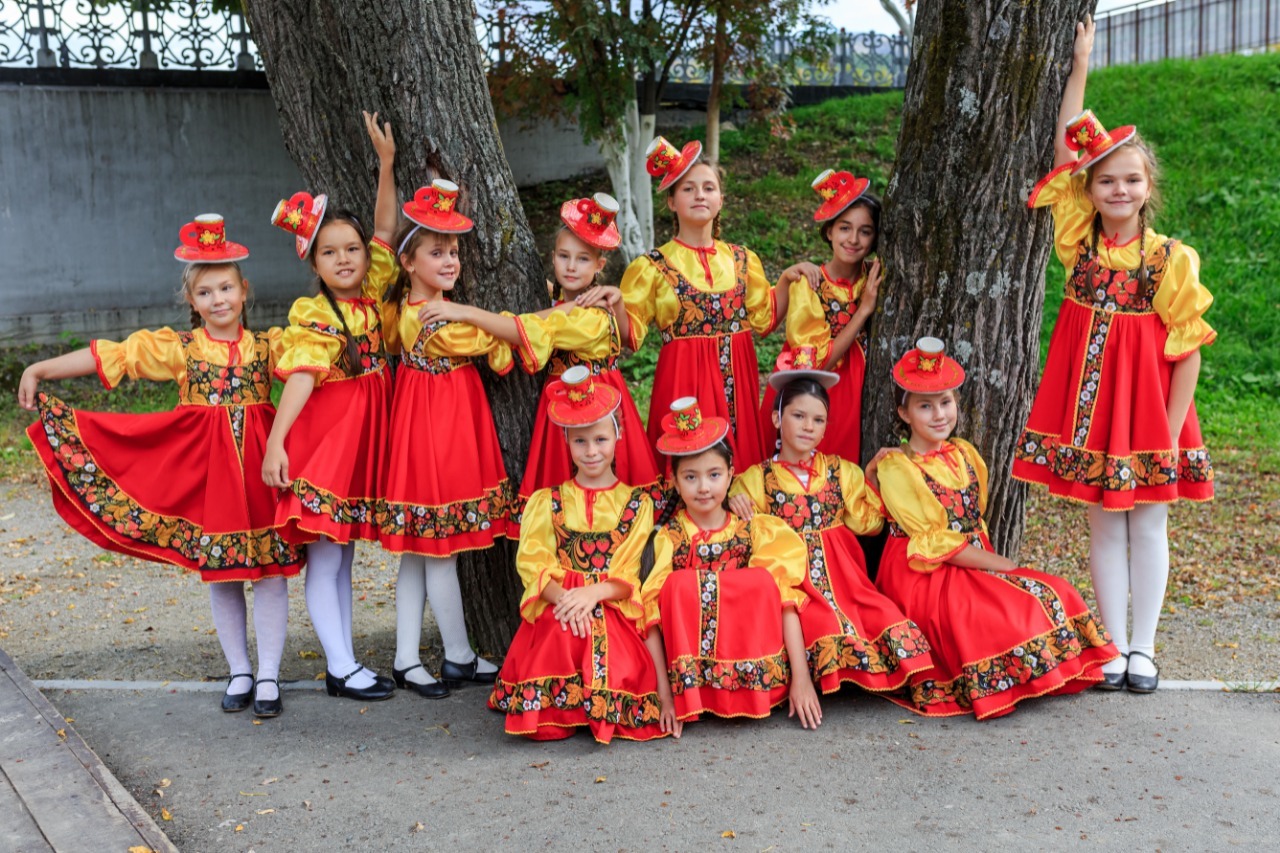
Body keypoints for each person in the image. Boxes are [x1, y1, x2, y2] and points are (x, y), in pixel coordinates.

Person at [20, 215, 300, 718]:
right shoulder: (180, 348)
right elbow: (115, 356)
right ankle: (239, 668)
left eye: (227, 287)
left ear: (244, 290)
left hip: (263, 469)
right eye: (206, 291)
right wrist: (40, 368)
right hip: (209, 476)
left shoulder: (270, 345)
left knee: (271, 571)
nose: (219, 299)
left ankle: (269, 675)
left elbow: (316, 364)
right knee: (223, 572)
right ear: (192, 302)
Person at [1012, 16, 1215, 693]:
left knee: (1149, 521)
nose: (1118, 191)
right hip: (1094, 405)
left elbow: (1187, 350)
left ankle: (1147, 647)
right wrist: (1080, 63)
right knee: (1103, 521)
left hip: (1153, 410)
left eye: (1130, 181)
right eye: (1106, 183)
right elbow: (1068, 147)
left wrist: (1168, 426)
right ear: (1091, 192)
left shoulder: (1169, 259)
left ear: (1147, 187)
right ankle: (1115, 645)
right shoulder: (1079, 242)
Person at [874, 338, 1118, 720]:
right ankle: (997, 679)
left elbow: (975, 518)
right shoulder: (897, 467)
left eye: (946, 402)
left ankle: (1032, 672)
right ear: (903, 413)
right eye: (925, 406)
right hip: (926, 573)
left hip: (968, 558)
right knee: (999, 614)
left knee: (1057, 591)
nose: (939, 414)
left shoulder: (965, 453)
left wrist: (995, 565)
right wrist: (1001, 564)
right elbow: (935, 542)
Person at [410, 192, 660, 530]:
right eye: (563, 256)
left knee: (600, 498)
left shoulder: (592, 317)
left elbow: (531, 327)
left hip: (595, 405)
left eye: (583, 259)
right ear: (552, 256)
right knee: (564, 499)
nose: (571, 267)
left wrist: (463, 311)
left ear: (600, 266)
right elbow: (548, 312)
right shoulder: (559, 300)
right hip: (561, 406)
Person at [262, 111, 398, 702]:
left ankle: (344, 663)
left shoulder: (369, 297)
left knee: (341, 556)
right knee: (325, 555)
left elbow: (386, 229)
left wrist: (386, 167)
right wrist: (277, 442)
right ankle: (341, 667)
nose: (344, 259)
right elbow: (300, 377)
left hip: (359, 436)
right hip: (326, 440)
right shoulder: (314, 314)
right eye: (329, 253)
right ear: (312, 264)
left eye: (352, 249)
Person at [730, 351, 933, 698]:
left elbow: (867, 525)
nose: (809, 426)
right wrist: (734, 502)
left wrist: (870, 479)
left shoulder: (842, 471)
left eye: (819, 420)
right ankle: (825, 676)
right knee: (822, 625)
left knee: (884, 617)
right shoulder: (757, 479)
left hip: (848, 582)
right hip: (798, 586)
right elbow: (744, 530)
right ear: (777, 419)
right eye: (798, 416)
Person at [378, 178, 512, 698]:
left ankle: (406, 657)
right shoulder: (435, 318)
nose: (451, 260)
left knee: (420, 550)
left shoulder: (415, 312)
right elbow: (508, 333)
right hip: (439, 435)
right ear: (409, 263)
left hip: (430, 427)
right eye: (437, 252)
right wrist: (563, 313)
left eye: (454, 250)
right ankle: (456, 655)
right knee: (439, 550)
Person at [488, 367, 666, 742]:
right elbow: (533, 562)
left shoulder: (637, 503)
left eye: (600, 439)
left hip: (611, 605)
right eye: (580, 441)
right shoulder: (546, 501)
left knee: (612, 657)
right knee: (559, 632)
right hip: (560, 603)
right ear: (567, 442)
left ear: (617, 437)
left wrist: (591, 594)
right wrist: (567, 599)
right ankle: (564, 709)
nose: (591, 451)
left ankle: (590, 704)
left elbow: (628, 573)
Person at [621, 136, 812, 469]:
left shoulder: (742, 260)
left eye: (709, 188)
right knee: (688, 464)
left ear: (721, 199)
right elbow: (631, 334)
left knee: (739, 470)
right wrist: (611, 304)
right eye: (688, 189)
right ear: (671, 201)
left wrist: (785, 280)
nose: (699, 195)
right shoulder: (650, 267)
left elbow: (765, 319)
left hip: (736, 380)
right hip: (682, 381)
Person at [639, 398, 821, 733]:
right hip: (690, 686)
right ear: (676, 483)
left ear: (731, 475)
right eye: (691, 477)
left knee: (764, 580)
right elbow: (650, 615)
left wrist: (802, 679)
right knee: (676, 585)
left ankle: (754, 680)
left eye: (714, 474)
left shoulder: (754, 530)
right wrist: (663, 697)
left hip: (760, 680)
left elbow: (787, 602)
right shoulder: (670, 538)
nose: (704, 487)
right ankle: (694, 690)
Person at [760, 170, 882, 462]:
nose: (853, 239)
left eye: (865, 231)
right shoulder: (810, 283)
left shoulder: (874, 277)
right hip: (821, 390)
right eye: (844, 228)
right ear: (829, 231)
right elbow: (819, 362)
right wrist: (864, 310)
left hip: (863, 387)